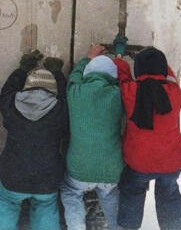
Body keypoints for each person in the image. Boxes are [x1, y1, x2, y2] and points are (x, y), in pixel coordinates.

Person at [0, 52, 68, 230]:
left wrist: (22, 70)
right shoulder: (60, 110)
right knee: (45, 205)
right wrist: (57, 74)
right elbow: (65, 96)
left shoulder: (12, 105)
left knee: (6, 200)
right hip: (47, 178)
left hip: (13, 176)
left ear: (27, 86)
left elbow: (5, 94)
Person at [114, 47, 181, 230]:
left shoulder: (130, 92)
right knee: (168, 194)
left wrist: (120, 58)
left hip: (139, 162)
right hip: (172, 161)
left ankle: (128, 227)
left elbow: (123, 77)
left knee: (132, 190)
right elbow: (170, 76)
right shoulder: (174, 93)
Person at [60, 45, 123, 230]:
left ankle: (76, 226)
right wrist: (119, 57)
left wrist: (88, 57)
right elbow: (124, 82)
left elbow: (74, 76)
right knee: (110, 195)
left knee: (70, 192)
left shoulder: (75, 92)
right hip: (111, 168)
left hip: (79, 167)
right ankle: (116, 226)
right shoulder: (118, 94)